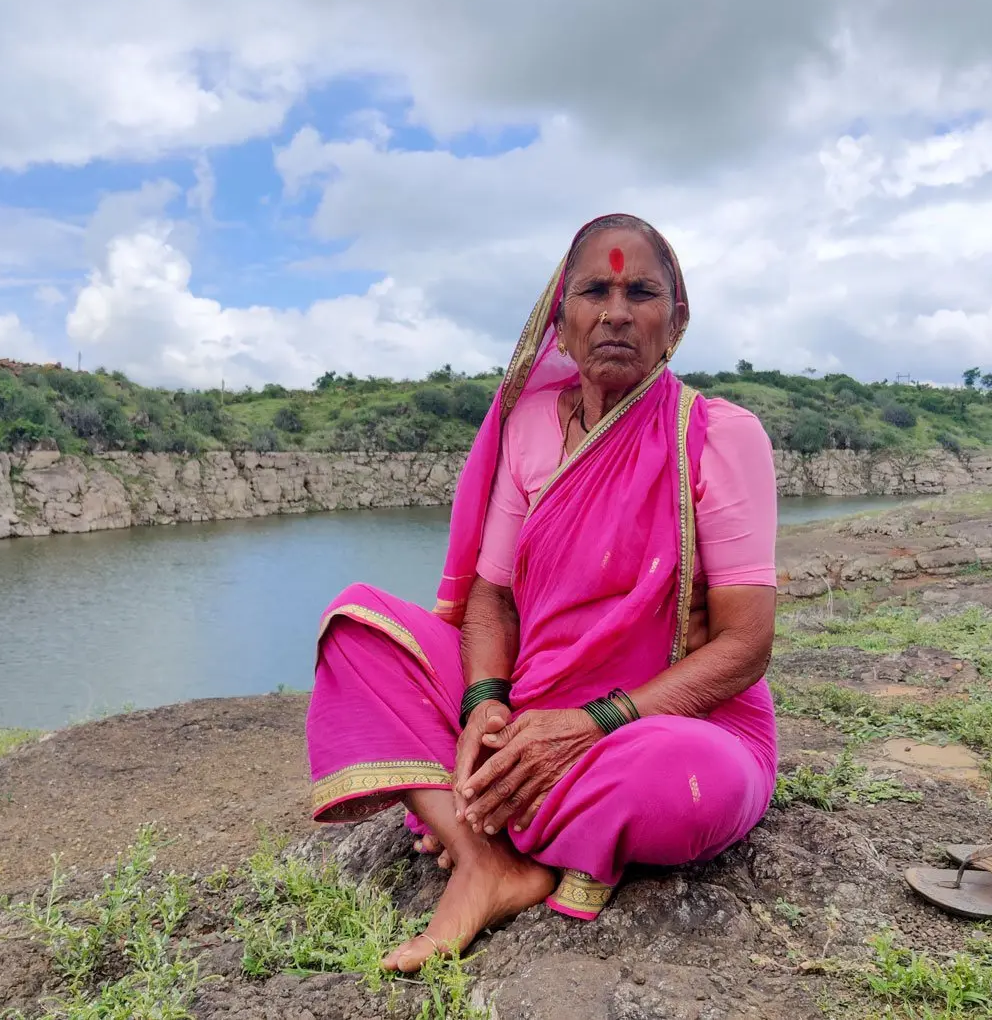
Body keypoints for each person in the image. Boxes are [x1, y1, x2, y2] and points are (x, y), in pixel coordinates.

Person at [305, 213, 779, 973]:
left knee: (686, 778)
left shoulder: (721, 435)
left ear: (677, 319)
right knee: (358, 629)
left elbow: (745, 646)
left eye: (642, 292)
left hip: (659, 723)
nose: (616, 311)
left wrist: (587, 725)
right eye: (594, 290)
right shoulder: (529, 426)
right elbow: (490, 597)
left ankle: (476, 799)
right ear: (559, 322)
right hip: (529, 706)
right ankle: (488, 857)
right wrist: (486, 703)